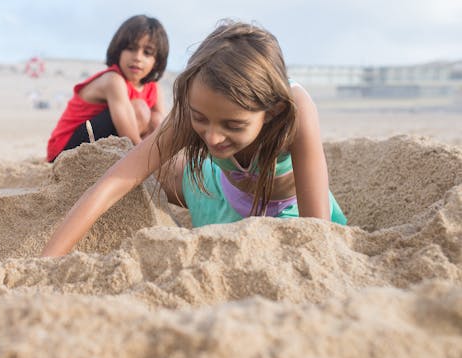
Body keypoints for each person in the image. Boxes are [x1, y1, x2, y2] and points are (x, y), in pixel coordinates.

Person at [42, 20, 347, 256]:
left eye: (233, 124)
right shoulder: (193, 105)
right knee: (160, 165)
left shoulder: (294, 110)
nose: (213, 138)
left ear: (271, 111)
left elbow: (317, 230)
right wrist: (48, 259)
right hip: (221, 195)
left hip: (286, 206)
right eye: (200, 120)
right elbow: (115, 182)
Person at [46, 14, 169, 162]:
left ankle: (146, 158)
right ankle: (142, 161)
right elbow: (128, 137)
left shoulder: (154, 87)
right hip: (64, 150)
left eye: (147, 53)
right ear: (119, 50)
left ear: (156, 61)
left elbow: (161, 128)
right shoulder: (113, 80)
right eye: (131, 48)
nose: (137, 57)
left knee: (156, 118)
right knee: (140, 110)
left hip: (106, 144)